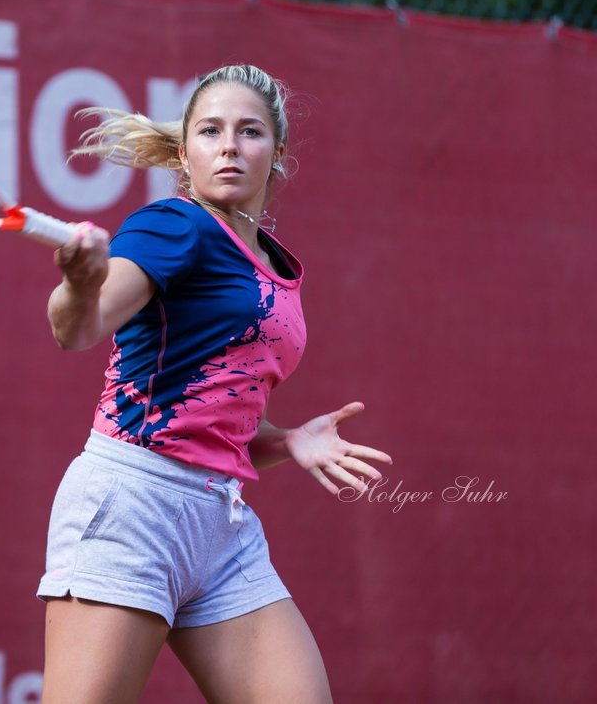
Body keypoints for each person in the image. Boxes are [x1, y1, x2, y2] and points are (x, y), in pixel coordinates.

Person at [37, 64, 393, 702]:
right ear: (185, 154)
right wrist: (78, 283)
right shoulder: (175, 226)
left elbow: (205, 410)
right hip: (131, 509)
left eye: (249, 131)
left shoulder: (272, 265)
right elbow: (79, 328)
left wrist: (285, 440)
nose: (229, 144)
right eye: (210, 131)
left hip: (219, 523)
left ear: (276, 155)